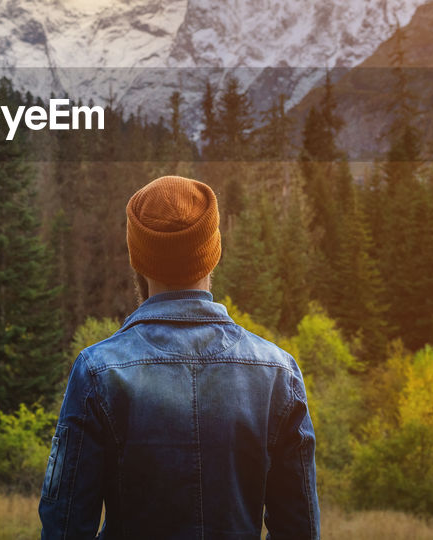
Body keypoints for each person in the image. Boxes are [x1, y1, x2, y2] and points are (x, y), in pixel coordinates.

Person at [38, 175, 320, 539]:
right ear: (212, 254)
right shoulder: (278, 373)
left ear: (137, 260)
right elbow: (300, 530)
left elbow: (64, 528)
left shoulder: (98, 372)